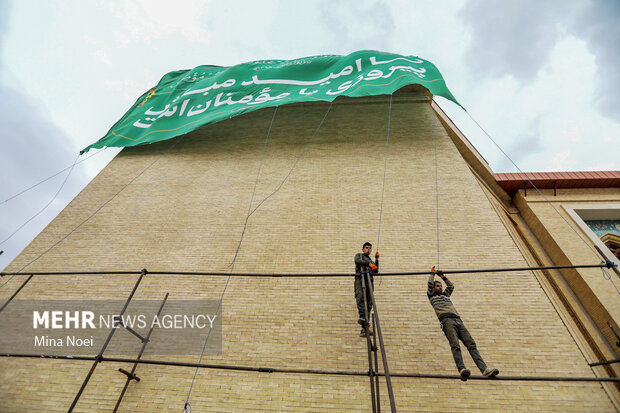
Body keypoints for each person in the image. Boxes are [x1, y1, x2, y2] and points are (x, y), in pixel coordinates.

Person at [427, 268, 499, 379]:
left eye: (441, 286)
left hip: (458, 320)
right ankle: (461, 369)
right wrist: (432, 274)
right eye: (438, 286)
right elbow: (430, 285)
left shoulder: (445, 295)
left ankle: (484, 369)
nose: (440, 288)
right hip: (447, 321)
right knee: (455, 345)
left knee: (471, 344)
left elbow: (451, 287)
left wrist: (443, 277)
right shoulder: (431, 296)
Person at [354, 242, 379, 337]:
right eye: (367, 248)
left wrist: (376, 260)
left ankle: (365, 327)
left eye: (370, 248)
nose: (368, 250)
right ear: (363, 249)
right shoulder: (359, 256)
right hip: (361, 280)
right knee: (360, 298)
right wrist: (369, 263)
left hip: (369, 282)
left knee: (369, 303)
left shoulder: (371, 260)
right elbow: (358, 261)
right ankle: (362, 317)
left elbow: (376, 270)